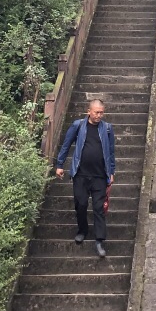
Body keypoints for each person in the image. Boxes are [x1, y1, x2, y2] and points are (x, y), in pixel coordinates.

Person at [55, 98, 115, 258]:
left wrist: (111, 172)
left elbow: (111, 152)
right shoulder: (78, 126)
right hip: (80, 174)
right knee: (80, 204)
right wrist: (59, 164)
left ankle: (100, 240)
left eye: (102, 112)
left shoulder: (108, 129)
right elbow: (66, 145)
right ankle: (82, 230)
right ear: (89, 111)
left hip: (99, 176)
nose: (99, 115)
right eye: (96, 112)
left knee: (99, 208)